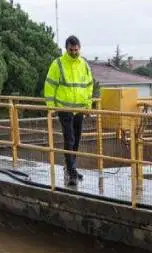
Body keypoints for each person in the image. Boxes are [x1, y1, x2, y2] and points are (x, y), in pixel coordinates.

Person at [43, 35, 96, 185]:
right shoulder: (58, 64)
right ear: (66, 49)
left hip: (79, 109)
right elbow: (50, 85)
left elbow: (89, 86)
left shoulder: (84, 64)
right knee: (69, 138)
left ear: (80, 48)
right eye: (71, 50)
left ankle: (70, 167)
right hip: (64, 108)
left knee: (77, 138)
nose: (74, 52)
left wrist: (88, 106)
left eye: (76, 50)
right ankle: (71, 171)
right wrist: (51, 106)